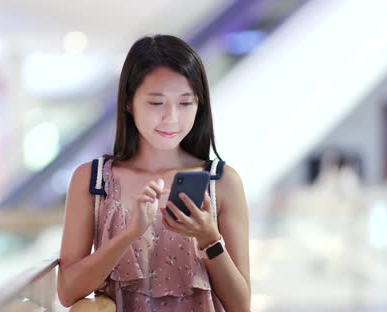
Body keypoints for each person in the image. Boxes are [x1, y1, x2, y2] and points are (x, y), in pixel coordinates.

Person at [57, 34, 250, 311]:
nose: (171, 117)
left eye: (185, 103)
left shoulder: (222, 182)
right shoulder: (93, 180)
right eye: (156, 103)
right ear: (128, 102)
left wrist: (209, 238)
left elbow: (241, 305)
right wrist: (129, 233)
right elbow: (67, 291)